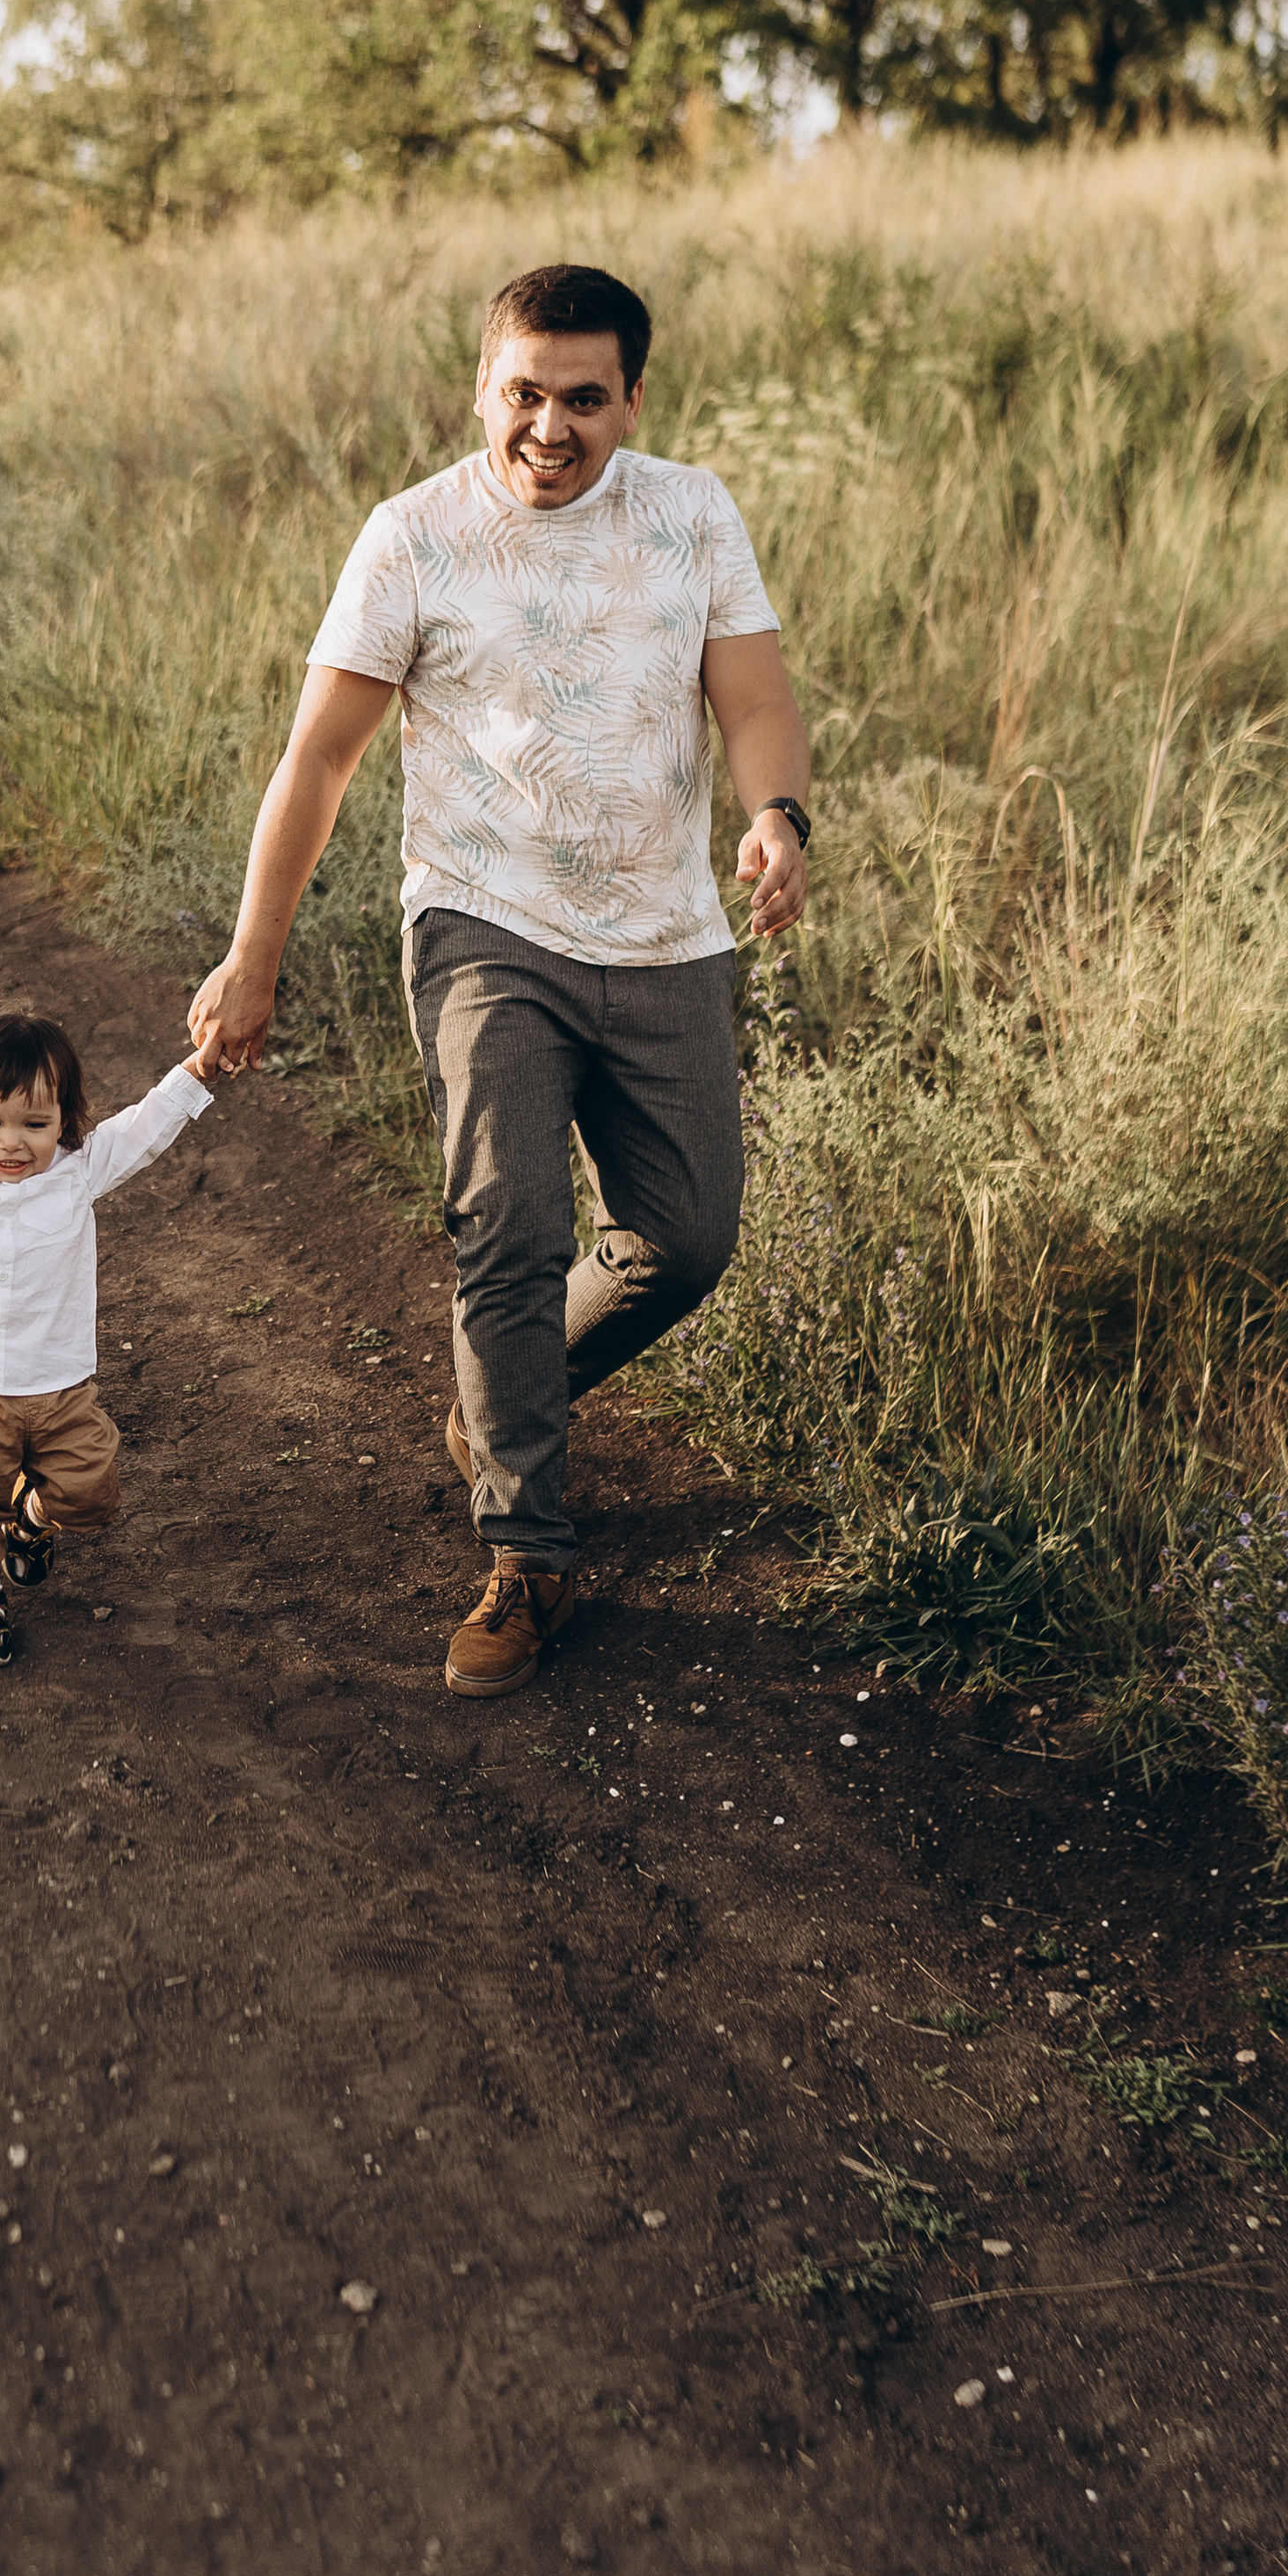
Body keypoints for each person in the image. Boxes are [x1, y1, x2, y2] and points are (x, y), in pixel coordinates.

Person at [187, 260, 810, 1699]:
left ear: (633, 399)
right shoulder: (413, 539)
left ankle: (503, 1399)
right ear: (484, 385)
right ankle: (527, 1553)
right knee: (507, 1228)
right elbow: (321, 759)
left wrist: (777, 816)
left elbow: (758, 699)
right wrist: (251, 955)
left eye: (583, 399)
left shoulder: (692, 514)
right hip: (486, 929)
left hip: (665, 938)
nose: (548, 426)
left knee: (689, 1236)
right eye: (523, 393)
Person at [0, 1003, 213, 1664]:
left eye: (35, 1124)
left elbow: (145, 1126)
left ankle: (31, 1520)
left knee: (90, 1491)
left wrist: (199, 1072)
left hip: (59, 1390)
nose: (11, 1143)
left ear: (66, 1122)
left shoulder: (78, 1171)